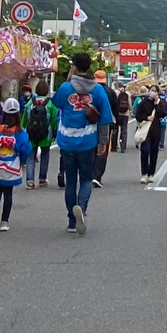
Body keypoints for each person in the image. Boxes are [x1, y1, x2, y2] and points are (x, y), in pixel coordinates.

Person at [52, 52, 112, 234]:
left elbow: (56, 105)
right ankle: (82, 209)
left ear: (75, 67)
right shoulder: (98, 90)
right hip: (88, 141)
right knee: (86, 179)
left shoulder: (65, 87)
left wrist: (70, 79)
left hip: (67, 140)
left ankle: (72, 220)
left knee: (71, 180)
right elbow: (105, 118)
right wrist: (103, 142)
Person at [0, 98, 33, 231]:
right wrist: (23, 160)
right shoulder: (19, 132)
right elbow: (25, 147)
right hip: (12, 166)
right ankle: (4, 222)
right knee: (8, 193)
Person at [25, 81, 55, 190]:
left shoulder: (30, 103)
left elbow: (24, 120)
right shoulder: (50, 103)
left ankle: (30, 181)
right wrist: (54, 132)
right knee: (45, 154)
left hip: (31, 133)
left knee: (30, 157)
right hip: (45, 134)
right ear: (47, 90)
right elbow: (54, 120)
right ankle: (42, 179)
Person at [135, 90, 167, 183]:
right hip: (145, 131)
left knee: (154, 152)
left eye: (155, 91)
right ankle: (144, 173)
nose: (153, 93)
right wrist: (146, 117)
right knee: (145, 151)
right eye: (152, 90)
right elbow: (137, 115)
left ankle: (151, 174)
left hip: (156, 130)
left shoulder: (160, 103)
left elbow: (163, 114)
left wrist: (156, 104)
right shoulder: (143, 103)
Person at [92, 70, 115, 186]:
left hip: (91, 122)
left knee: (92, 148)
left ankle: (91, 173)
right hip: (107, 123)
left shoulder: (91, 91)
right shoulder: (111, 92)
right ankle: (97, 175)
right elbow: (115, 109)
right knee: (103, 148)